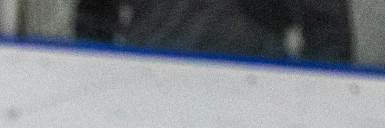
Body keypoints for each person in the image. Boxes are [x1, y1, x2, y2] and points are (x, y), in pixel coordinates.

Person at [74, 0, 353, 65]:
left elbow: (328, 27)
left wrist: (318, 96)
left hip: (259, 96)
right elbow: (94, 14)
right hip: (147, 90)